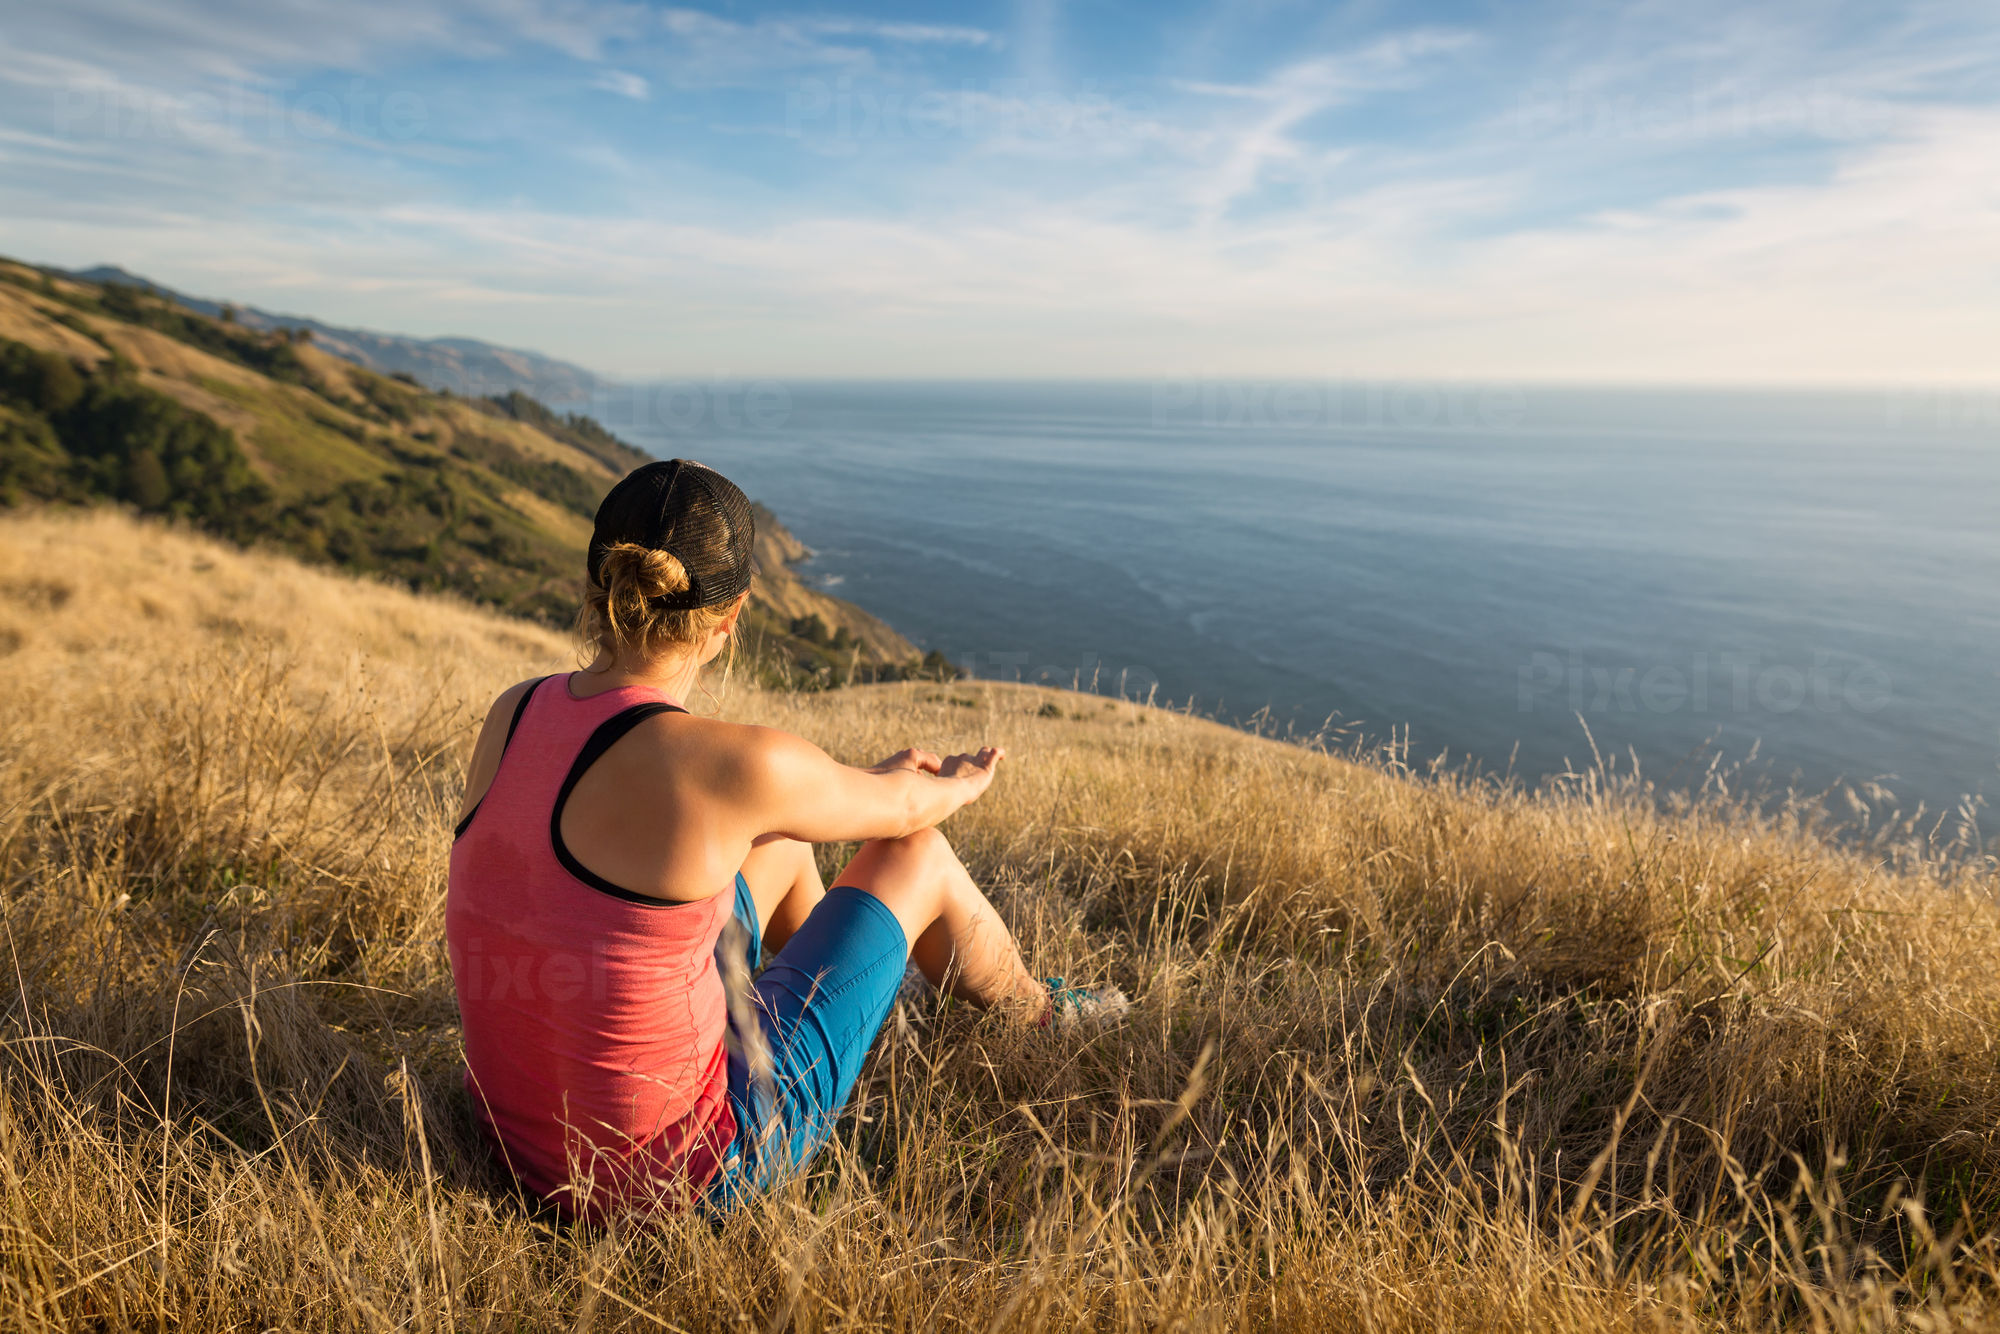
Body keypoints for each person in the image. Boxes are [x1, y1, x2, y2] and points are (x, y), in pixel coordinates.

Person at [446, 458, 1125, 1220]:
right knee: (918, 856)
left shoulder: (515, 711)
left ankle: (872, 1005)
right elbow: (904, 816)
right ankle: (1042, 1010)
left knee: (774, 843)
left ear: (596, 585)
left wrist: (858, 785)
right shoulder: (732, 765)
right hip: (682, 1182)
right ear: (731, 616)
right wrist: (960, 784)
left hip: (518, 1148)